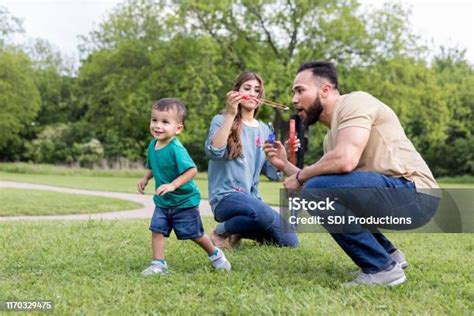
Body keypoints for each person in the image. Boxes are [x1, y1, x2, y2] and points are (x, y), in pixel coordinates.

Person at [264, 61, 440, 286]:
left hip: (417, 195)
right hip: (398, 196)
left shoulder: (355, 102)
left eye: (300, 90)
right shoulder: (332, 137)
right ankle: (389, 255)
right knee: (319, 190)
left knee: (316, 191)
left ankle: (381, 269)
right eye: (293, 92)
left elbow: (344, 161)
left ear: (325, 90)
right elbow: (320, 180)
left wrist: (301, 178)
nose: (294, 99)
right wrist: (285, 165)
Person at [205, 71, 299, 249]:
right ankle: (220, 232)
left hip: (252, 201)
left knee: (290, 241)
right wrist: (231, 114)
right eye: (247, 88)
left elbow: (272, 173)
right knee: (261, 213)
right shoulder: (221, 120)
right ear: (236, 92)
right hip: (226, 197)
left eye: (257, 90)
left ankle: (238, 230)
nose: (253, 93)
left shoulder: (264, 129)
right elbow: (215, 152)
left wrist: (284, 153)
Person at [138, 98, 231, 276]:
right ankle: (159, 264)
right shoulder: (153, 145)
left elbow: (191, 170)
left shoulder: (176, 148)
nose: (158, 125)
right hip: (164, 202)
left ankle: (216, 255)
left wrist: (173, 185)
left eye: (165, 122)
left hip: (184, 202)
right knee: (157, 230)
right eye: (154, 120)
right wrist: (146, 178)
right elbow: (154, 166)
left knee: (195, 234)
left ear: (178, 128)